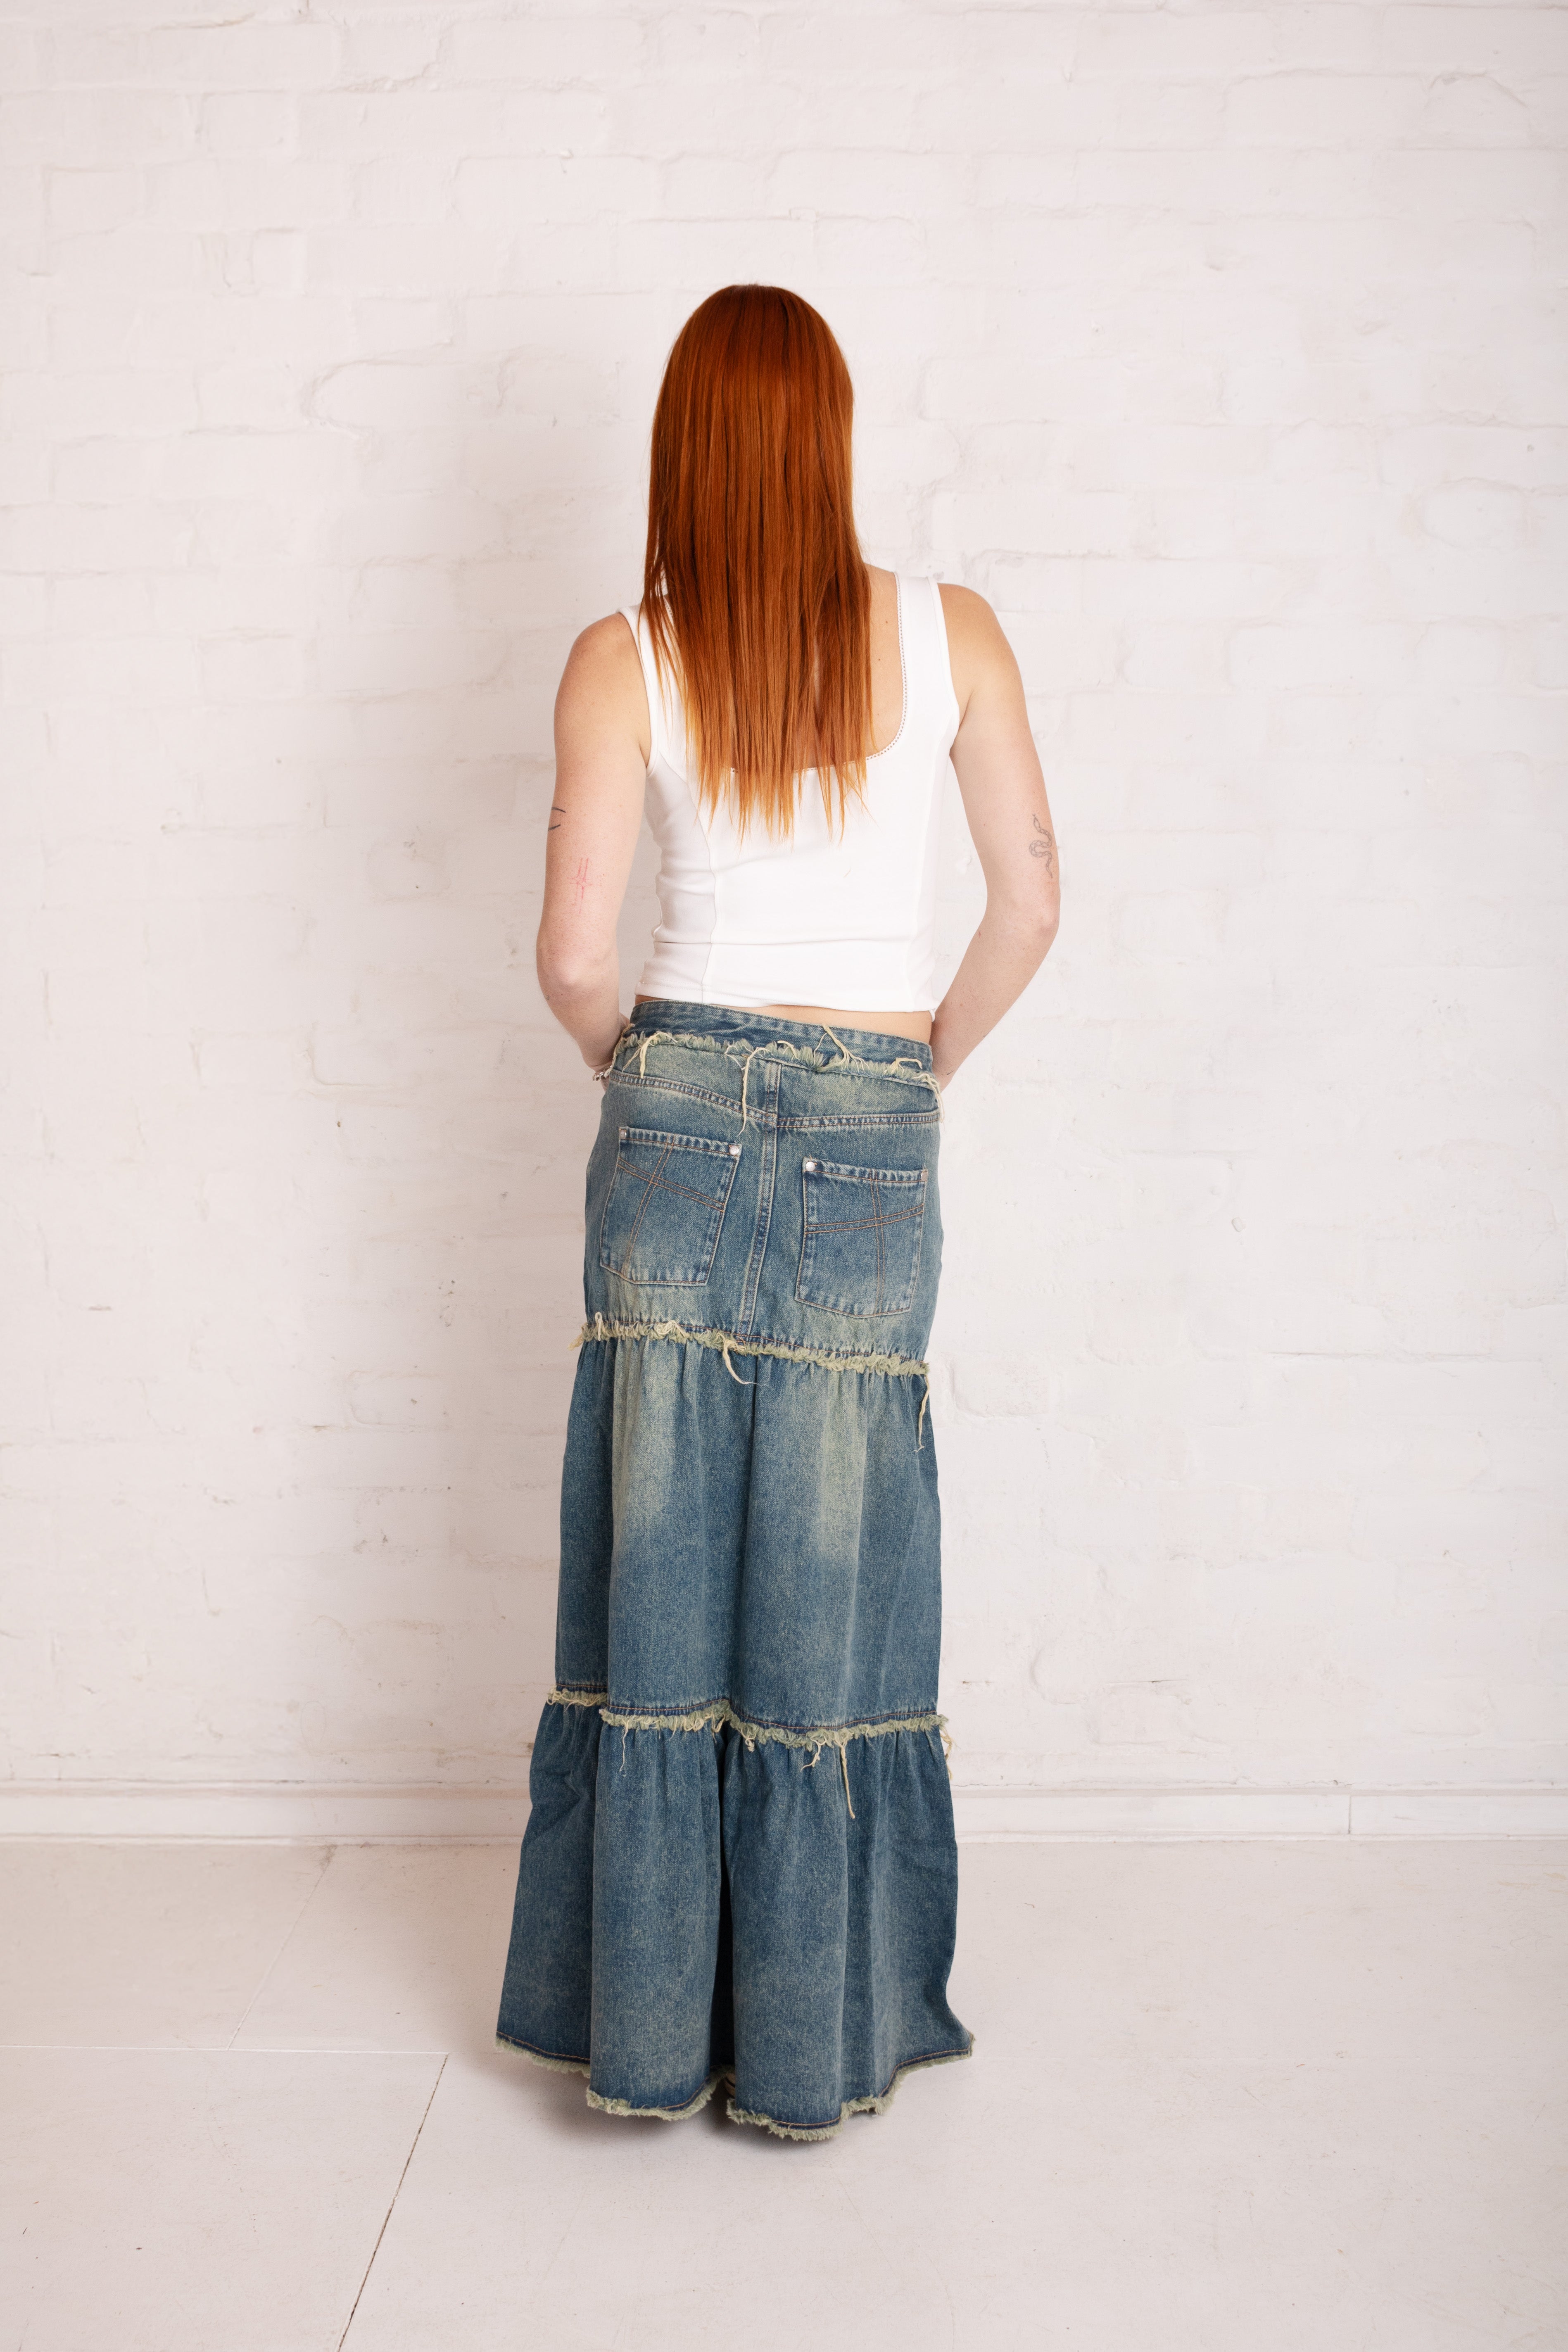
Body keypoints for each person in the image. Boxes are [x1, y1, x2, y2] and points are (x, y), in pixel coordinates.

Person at [496, 284, 1060, 2143]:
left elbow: (574, 954)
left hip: (670, 1099)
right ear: (830, 436)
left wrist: (643, 1076)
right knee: (832, 1562)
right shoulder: (952, 633)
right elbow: (1031, 902)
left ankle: (649, 2041)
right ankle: (806, 2052)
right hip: (870, 1106)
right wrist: (912, 1073)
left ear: (682, 444)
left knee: (657, 1553)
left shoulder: (619, 657)